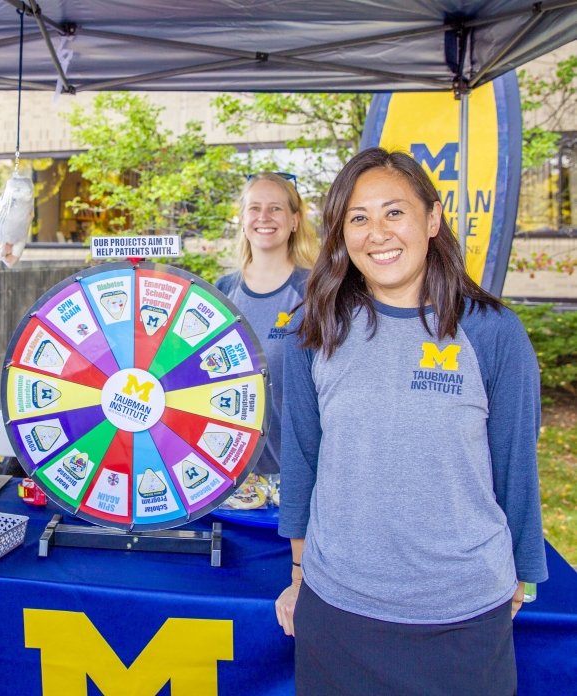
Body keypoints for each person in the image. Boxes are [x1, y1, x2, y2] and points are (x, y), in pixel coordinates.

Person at [275, 148, 547, 695]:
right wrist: (300, 573)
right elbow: (302, 458)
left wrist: (523, 576)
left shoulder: (493, 332)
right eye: (358, 217)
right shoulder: (315, 328)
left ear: (434, 218)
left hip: (461, 616)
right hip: (339, 611)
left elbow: (516, 463)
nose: (377, 233)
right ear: (340, 232)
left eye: (394, 212)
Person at [215, 172, 318, 477]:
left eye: (275, 208)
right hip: (230, 476)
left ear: (295, 220)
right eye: (254, 208)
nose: (264, 217)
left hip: (297, 476)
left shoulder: (314, 291)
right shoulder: (221, 292)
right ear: (243, 219)